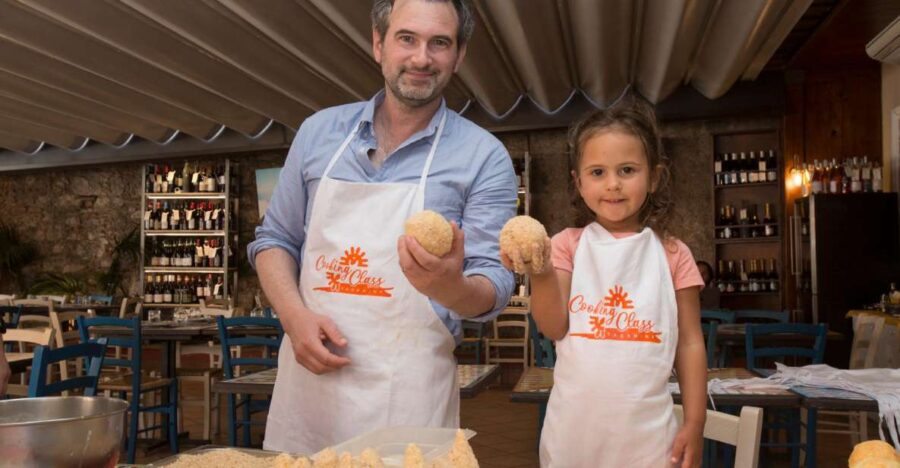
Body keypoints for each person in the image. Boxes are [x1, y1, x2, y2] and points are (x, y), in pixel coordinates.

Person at [247, 0, 516, 454]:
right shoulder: (318, 134)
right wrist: (294, 318)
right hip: (310, 399)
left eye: (440, 43)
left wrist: (451, 287)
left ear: (459, 54)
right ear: (378, 43)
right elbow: (275, 240)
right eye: (406, 38)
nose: (421, 58)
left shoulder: (484, 157)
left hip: (408, 406)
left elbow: (495, 284)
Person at [502, 98, 707, 467]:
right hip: (573, 438)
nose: (612, 184)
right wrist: (541, 272)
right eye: (597, 172)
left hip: (649, 443)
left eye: (627, 169)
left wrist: (694, 421)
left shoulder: (674, 255)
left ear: (654, 176)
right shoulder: (566, 245)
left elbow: (690, 342)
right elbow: (553, 326)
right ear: (578, 182)